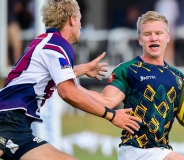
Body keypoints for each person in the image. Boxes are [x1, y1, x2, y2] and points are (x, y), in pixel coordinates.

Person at [0, 0, 141, 159]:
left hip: (18, 126)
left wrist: (85, 71)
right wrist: (112, 116)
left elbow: (55, 77)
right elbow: (68, 92)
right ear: (72, 19)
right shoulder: (58, 46)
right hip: (7, 119)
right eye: (80, 19)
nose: (81, 25)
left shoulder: (46, 41)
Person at [78, 11, 184, 160]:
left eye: (158, 33)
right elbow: (106, 100)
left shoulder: (179, 78)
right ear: (139, 39)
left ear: (168, 37)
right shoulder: (129, 69)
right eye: (147, 34)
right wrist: (72, 86)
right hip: (135, 150)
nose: (153, 38)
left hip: (161, 151)